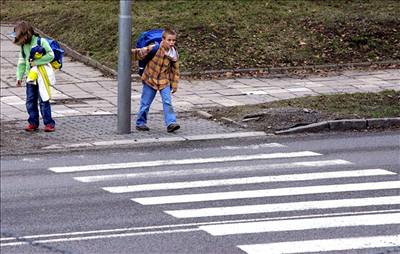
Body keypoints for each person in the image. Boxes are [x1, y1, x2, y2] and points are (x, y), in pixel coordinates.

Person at [131, 28, 180, 133]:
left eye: (173, 40)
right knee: (146, 103)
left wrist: (174, 85)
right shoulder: (155, 48)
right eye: (169, 40)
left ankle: (171, 123)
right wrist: (125, 53)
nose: (171, 42)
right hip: (150, 79)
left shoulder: (174, 54)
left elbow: (175, 71)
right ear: (163, 39)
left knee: (167, 102)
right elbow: (139, 53)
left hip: (164, 80)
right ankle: (140, 123)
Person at [12, 21, 56, 132]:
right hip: (30, 77)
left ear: (26, 35)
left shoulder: (41, 42)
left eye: (19, 39)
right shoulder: (23, 46)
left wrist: (37, 62)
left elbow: (51, 55)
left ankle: (49, 123)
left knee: (43, 99)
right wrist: (19, 77)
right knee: (30, 100)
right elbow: (21, 62)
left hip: (41, 76)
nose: (19, 42)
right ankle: (33, 122)